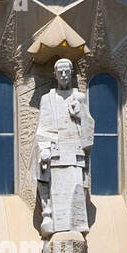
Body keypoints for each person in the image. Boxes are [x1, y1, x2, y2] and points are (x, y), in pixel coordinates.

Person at [34, 57, 94, 236]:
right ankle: (49, 215)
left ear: (71, 73)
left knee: (76, 186)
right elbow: (43, 128)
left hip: (75, 151)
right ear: (55, 75)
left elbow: (89, 127)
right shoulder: (47, 99)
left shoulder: (79, 97)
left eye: (67, 71)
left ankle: (77, 223)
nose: (64, 75)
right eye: (60, 72)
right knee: (53, 184)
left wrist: (81, 115)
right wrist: (44, 149)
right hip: (56, 150)